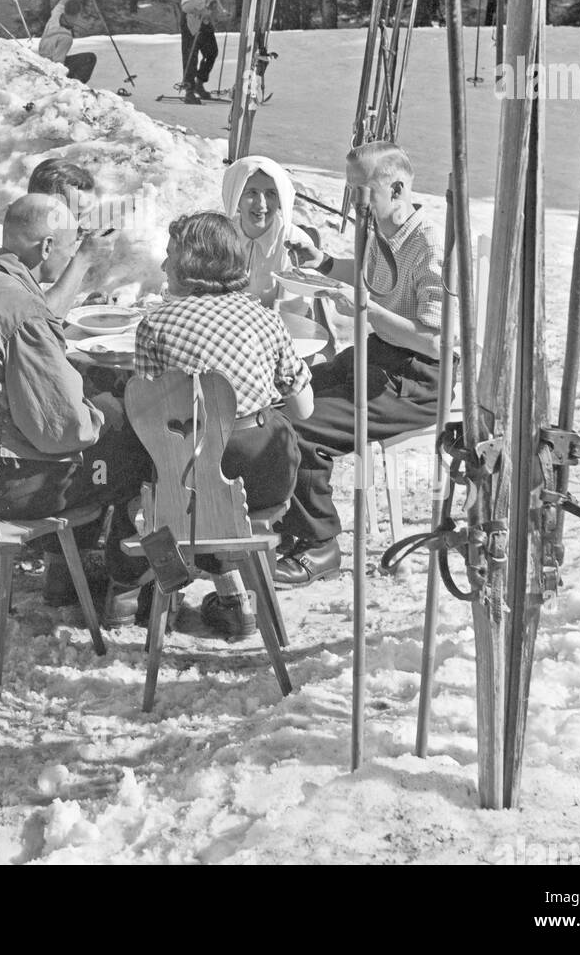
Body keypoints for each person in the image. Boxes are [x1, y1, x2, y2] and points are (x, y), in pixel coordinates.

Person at [0, 194, 150, 608]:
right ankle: (126, 585)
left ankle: (64, 572)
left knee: (104, 428)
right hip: (10, 486)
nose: (71, 253)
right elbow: (61, 433)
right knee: (132, 446)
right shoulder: (25, 312)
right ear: (47, 249)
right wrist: (100, 411)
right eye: (69, 245)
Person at [274, 141, 448, 586]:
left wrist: (366, 311)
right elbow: (373, 274)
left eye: (361, 190)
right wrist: (326, 264)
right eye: (351, 189)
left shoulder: (429, 243)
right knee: (283, 394)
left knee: (304, 426)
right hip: (379, 358)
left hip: (416, 380)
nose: (354, 202)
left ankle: (321, 546)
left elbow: (435, 341)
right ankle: (289, 523)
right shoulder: (386, 229)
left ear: (397, 187)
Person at [134, 213, 313, 638]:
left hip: (189, 480)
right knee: (214, 490)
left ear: (193, 262)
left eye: (170, 255)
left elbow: (144, 415)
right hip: (263, 474)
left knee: (146, 476)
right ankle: (232, 596)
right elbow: (303, 408)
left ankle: (159, 587)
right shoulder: (265, 317)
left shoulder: (155, 325)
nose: (163, 266)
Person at [0, 158, 99, 315]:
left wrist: (76, 306)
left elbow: (27, 307)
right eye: (74, 214)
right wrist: (83, 260)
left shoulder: (19, 227)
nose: (77, 225)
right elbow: (28, 321)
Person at [221, 155, 318, 306]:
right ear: (236, 196)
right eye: (252, 192)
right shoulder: (220, 236)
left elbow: (294, 309)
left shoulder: (297, 243)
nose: (261, 204)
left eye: (270, 194)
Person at [179, 0, 223, 104]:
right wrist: (200, 9)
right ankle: (189, 90)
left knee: (211, 52)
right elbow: (185, 7)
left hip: (204, 20)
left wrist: (221, 11)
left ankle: (200, 82)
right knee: (191, 56)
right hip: (190, 21)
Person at [37, 0, 98, 84]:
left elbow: (63, 1)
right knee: (90, 58)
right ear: (77, 15)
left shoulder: (55, 17)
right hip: (49, 67)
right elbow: (58, 64)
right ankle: (75, 86)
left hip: (39, 60)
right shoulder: (66, 38)